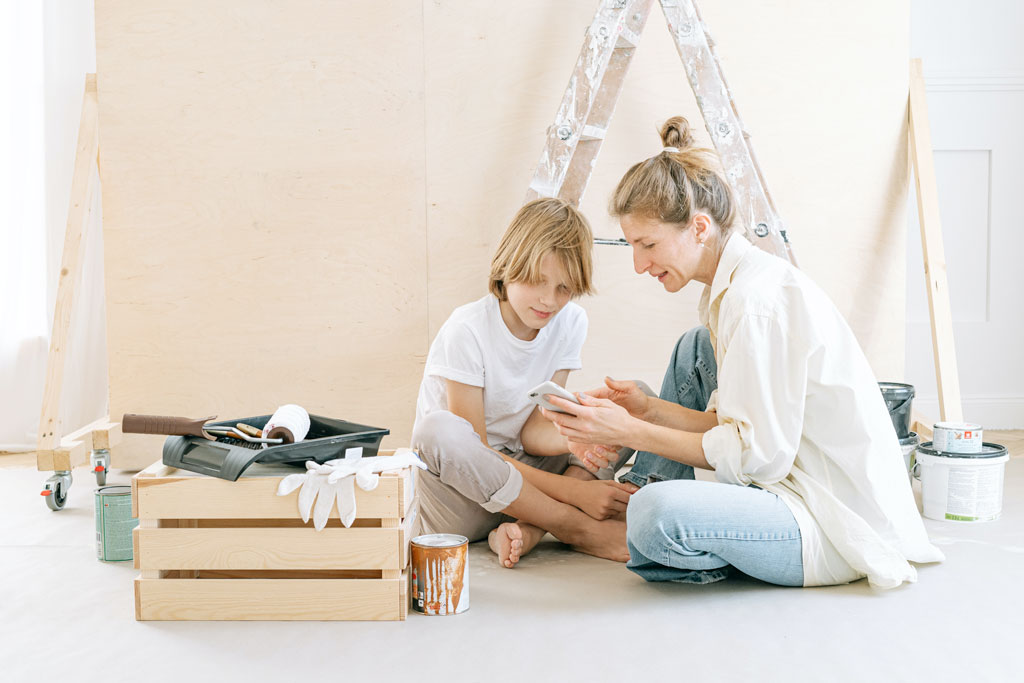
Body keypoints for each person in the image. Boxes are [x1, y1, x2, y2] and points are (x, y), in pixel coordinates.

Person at [542, 117, 943, 588]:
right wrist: (647, 410)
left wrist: (634, 431)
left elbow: (757, 458)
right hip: (796, 475)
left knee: (656, 515)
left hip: (831, 524)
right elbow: (734, 427)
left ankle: (633, 525)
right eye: (633, 246)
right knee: (693, 348)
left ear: (699, 227)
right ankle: (637, 508)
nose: (639, 264)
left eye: (648, 244)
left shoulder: (754, 305)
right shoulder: (736, 289)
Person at [411, 197, 636, 568]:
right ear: (508, 267)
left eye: (564, 288)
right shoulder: (466, 331)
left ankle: (528, 528)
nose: (549, 300)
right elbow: (477, 453)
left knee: (632, 400)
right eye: (537, 281)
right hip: (464, 496)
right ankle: (572, 526)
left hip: (527, 482)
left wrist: (576, 435)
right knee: (438, 431)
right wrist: (575, 492)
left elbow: (533, 433)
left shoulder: (569, 322)